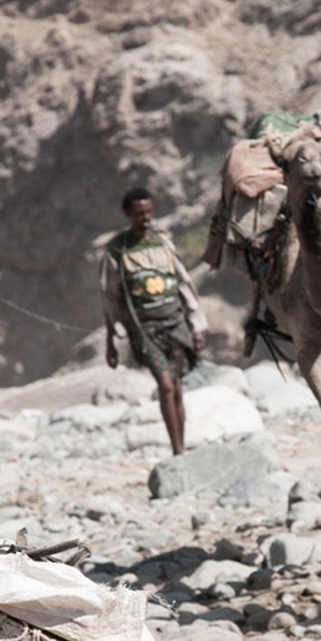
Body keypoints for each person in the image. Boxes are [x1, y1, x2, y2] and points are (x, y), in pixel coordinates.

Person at [99, 187, 206, 454]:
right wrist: (111, 343)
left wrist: (197, 324)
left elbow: (183, 283)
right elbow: (110, 299)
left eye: (148, 212)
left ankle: (182, 447)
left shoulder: (163, 243)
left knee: (178, 385)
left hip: (176, 324)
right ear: (128, 214)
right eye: (139, 214)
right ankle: (177, 450)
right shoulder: (117, 251)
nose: (145, 218)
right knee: (166, 385)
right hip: (144, 329)